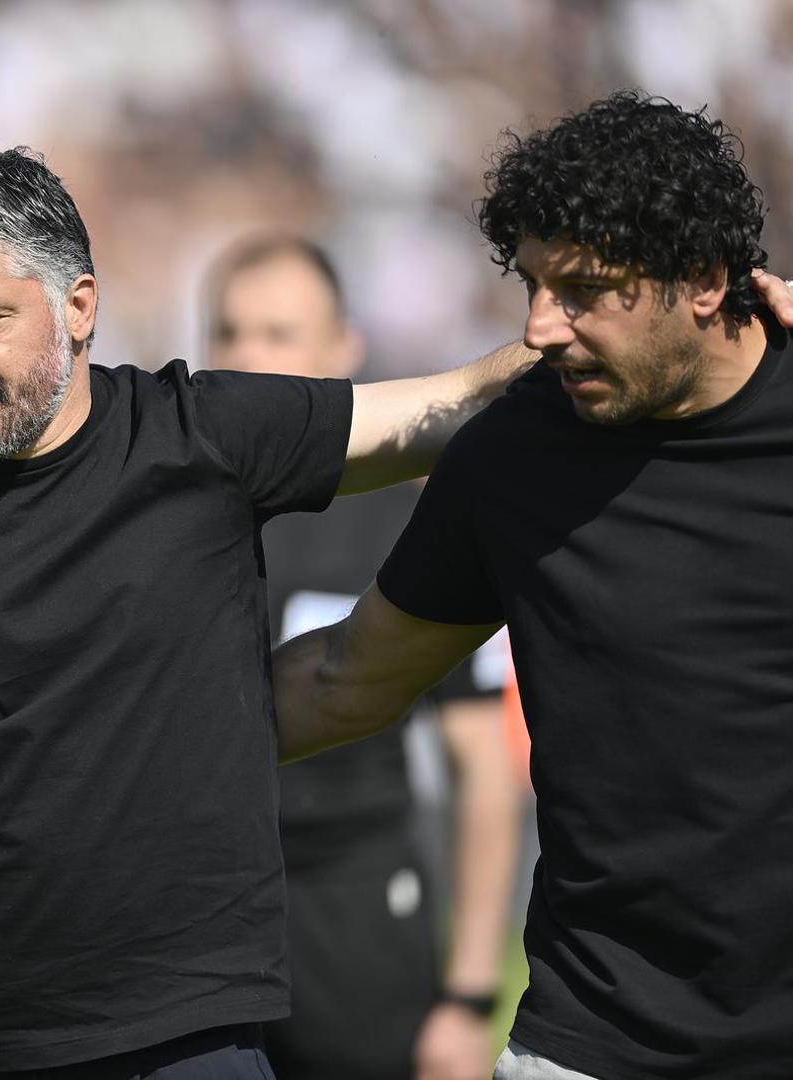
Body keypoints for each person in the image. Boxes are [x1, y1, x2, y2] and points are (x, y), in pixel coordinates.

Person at [0, 146, 788, 1080]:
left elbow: (456, 404)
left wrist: (730, 310)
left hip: (181, 1047)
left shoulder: (204, 438)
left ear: (78, 304)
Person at [272, 91, 793, 1080]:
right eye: (533, 284)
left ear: (703, 280)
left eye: (583, 290)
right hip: (591, 1042)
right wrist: (121, 730)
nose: (540, 328)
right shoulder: (514, 455)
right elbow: (346, 678)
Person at [206, 236, 518, 1080]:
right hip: (202, 922)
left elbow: (484, 770)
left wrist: (469, 997)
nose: (248, 356)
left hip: (358, 918)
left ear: (345, 348)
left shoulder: (409, 521)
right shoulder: (172, 524)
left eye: (278, 333)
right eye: (229, 331)